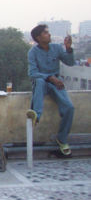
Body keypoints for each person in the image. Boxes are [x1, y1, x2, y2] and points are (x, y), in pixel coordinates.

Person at [27, 24, 74, 156]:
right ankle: (36, 114)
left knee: (69, 108)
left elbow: (70, 63)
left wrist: (68, 49)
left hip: (56, 84)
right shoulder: (33, 52)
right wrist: (50, 78)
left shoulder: (57, 48)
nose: (49, 35)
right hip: (42, 82)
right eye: (46, 33)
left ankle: (62, 139)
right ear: (38, 37)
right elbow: (32, 73)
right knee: (40, 81)